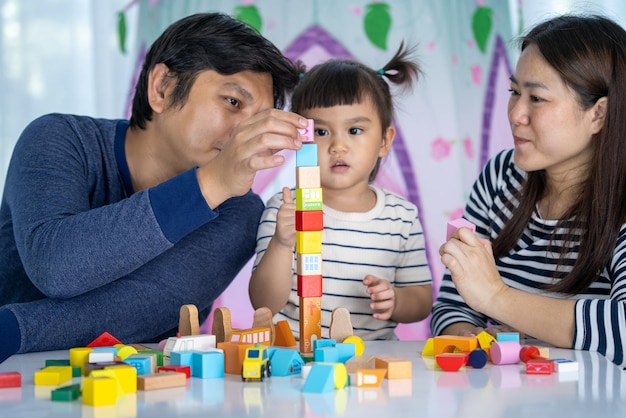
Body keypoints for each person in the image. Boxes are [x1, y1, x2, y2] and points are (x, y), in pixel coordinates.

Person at [0, 12, 308, 363]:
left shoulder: (238, 210)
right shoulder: (58, 140)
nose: (243, 135)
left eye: (257, 121)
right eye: (233, 102)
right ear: (162, 87)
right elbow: (56, 269)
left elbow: (139, 308)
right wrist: (211, 181)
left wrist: (9, 329)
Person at [431, 14, 626, 367]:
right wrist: (468, 338)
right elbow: (453, 304)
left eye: (536, 98)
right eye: (514, 92)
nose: (516, 113)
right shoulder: (500, 177)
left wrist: (497, 297)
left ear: (599, 115)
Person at [249, 43, 433, 341]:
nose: (338, 146)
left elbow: (422, 301)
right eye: (321, 132)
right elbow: (263, 303)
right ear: (300, 138)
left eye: (355, 130)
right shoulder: (284, 209)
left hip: (370, 359)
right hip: (296, 358)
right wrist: (282, 243)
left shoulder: (402, 217)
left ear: (385, 140)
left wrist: (396, 301)